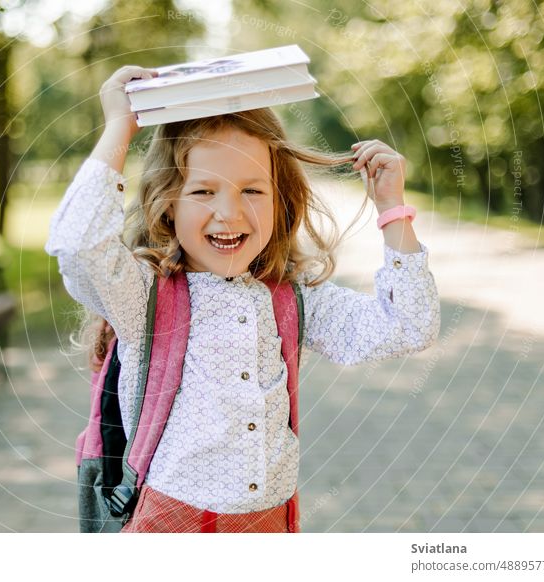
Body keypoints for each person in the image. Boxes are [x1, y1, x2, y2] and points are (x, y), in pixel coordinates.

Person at [45, 65, 440, 533]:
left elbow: (407, 327)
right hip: (171, 526)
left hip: (270, 525)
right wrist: (119, 126)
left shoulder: (290, 298)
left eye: (252, 190)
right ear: (169, 203)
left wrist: (393, 210)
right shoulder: (144, 297)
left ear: (280, 200)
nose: (228, 213)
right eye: (203, 190)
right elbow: (77, 244)